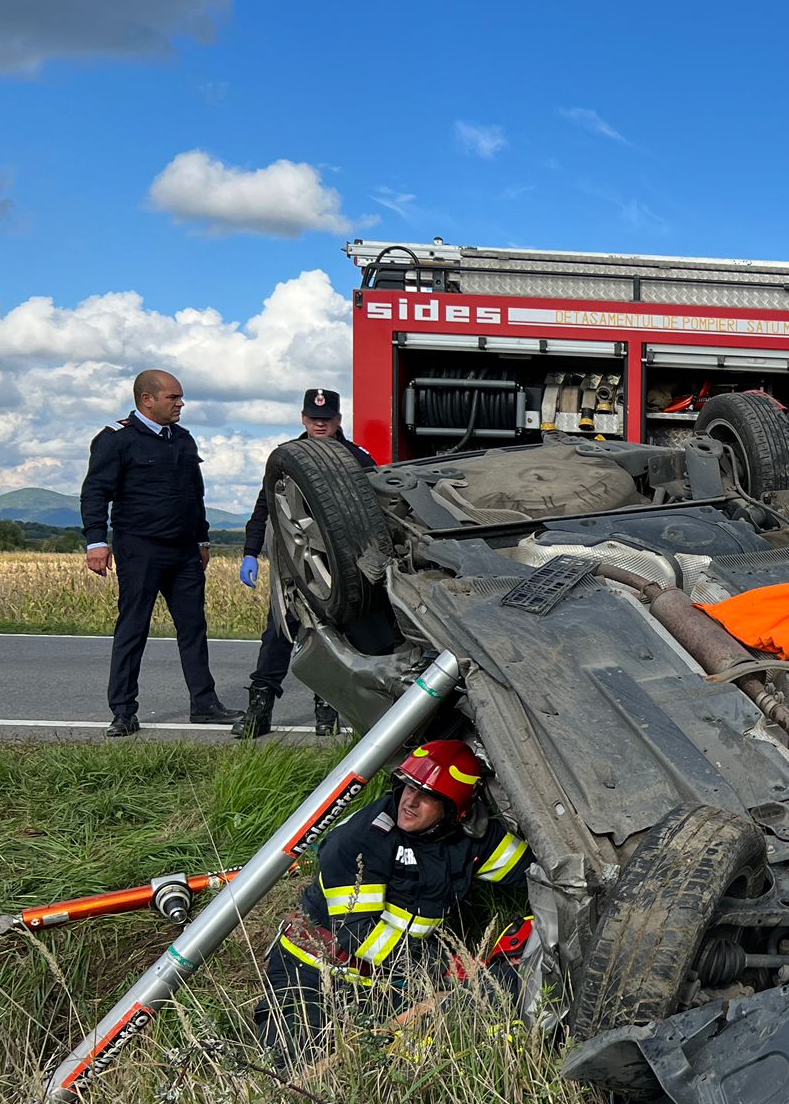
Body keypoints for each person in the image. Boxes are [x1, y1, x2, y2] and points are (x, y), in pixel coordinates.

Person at [255, 738, 530, 1066]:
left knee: (428, 1054)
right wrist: (441, 966)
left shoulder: (473, 838)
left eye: (427, 795)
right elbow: (357, 932)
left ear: (455, 810)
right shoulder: (362, 839)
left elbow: (537, 873)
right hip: (312, 974)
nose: (410, 801)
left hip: (391, 983)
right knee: (291, 1065)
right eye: (408, 787)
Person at [79, 369, 239, 737]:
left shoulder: (182, 440)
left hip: (183, 550)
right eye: (173, 397)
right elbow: (95, 493)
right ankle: (123, 711)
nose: (181, 404)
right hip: (140, 548)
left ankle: (204, 704)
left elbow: (195, 495)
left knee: (193, 627)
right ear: (147, 400)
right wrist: (96, 541)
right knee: (133, 628)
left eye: (180, 397)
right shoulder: (117, 439)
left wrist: (202, 540)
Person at [234, 389, 378, 739]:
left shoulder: (356, 459)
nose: (320, 424)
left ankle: (327, 711)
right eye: (314, 418)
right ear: (303, 418)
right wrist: (251, 552)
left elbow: (376, 511)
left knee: (336, 637)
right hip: (292, 562)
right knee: (277, 634)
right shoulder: (288, 457)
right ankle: (259, 711)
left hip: (339, 565)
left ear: (338, 420)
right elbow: (264, 507)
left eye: (326, 419)